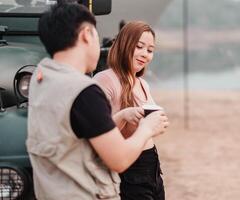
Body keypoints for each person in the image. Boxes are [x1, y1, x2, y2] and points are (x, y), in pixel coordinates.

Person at [26, 3, 169, 200]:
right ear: (86, 34)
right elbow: (119, 159)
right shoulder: (84, 92)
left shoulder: (41, 77)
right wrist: (147, 128)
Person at [94, 21, 167, 200]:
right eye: (139, 46)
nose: (145, 54)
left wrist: (158, 122)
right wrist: (123, 115)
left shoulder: (143, 84)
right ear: (124, 44)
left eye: (150, 50)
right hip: (128, 169)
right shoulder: (104, 80)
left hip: (152, 166)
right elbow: (97, 133)